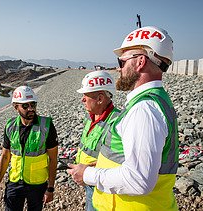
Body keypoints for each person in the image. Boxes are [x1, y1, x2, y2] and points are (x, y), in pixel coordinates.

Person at [67, 26, 179, 210]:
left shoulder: (144, 109)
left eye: (122, 61)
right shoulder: (155, 102)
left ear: (140, 62)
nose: (119, 69)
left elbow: (139, 180)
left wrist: (88, 174)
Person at [0, 85, 58, 211]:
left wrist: (50, 188)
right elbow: (5, 157)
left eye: (33, 104)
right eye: (25, 106)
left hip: (37, 185)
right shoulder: (10, 126)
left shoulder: (47, 126)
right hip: (15, 182)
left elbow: (53, 159)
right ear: (16, 107)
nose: (31, 109)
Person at [75, 71, 120, 211]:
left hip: (101, 187)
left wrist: (88, 172)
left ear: (100, 99)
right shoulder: (90, 117)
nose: (82, 100)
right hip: (88, 181)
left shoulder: (117, 123)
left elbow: (118, 163)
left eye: (85, 96)